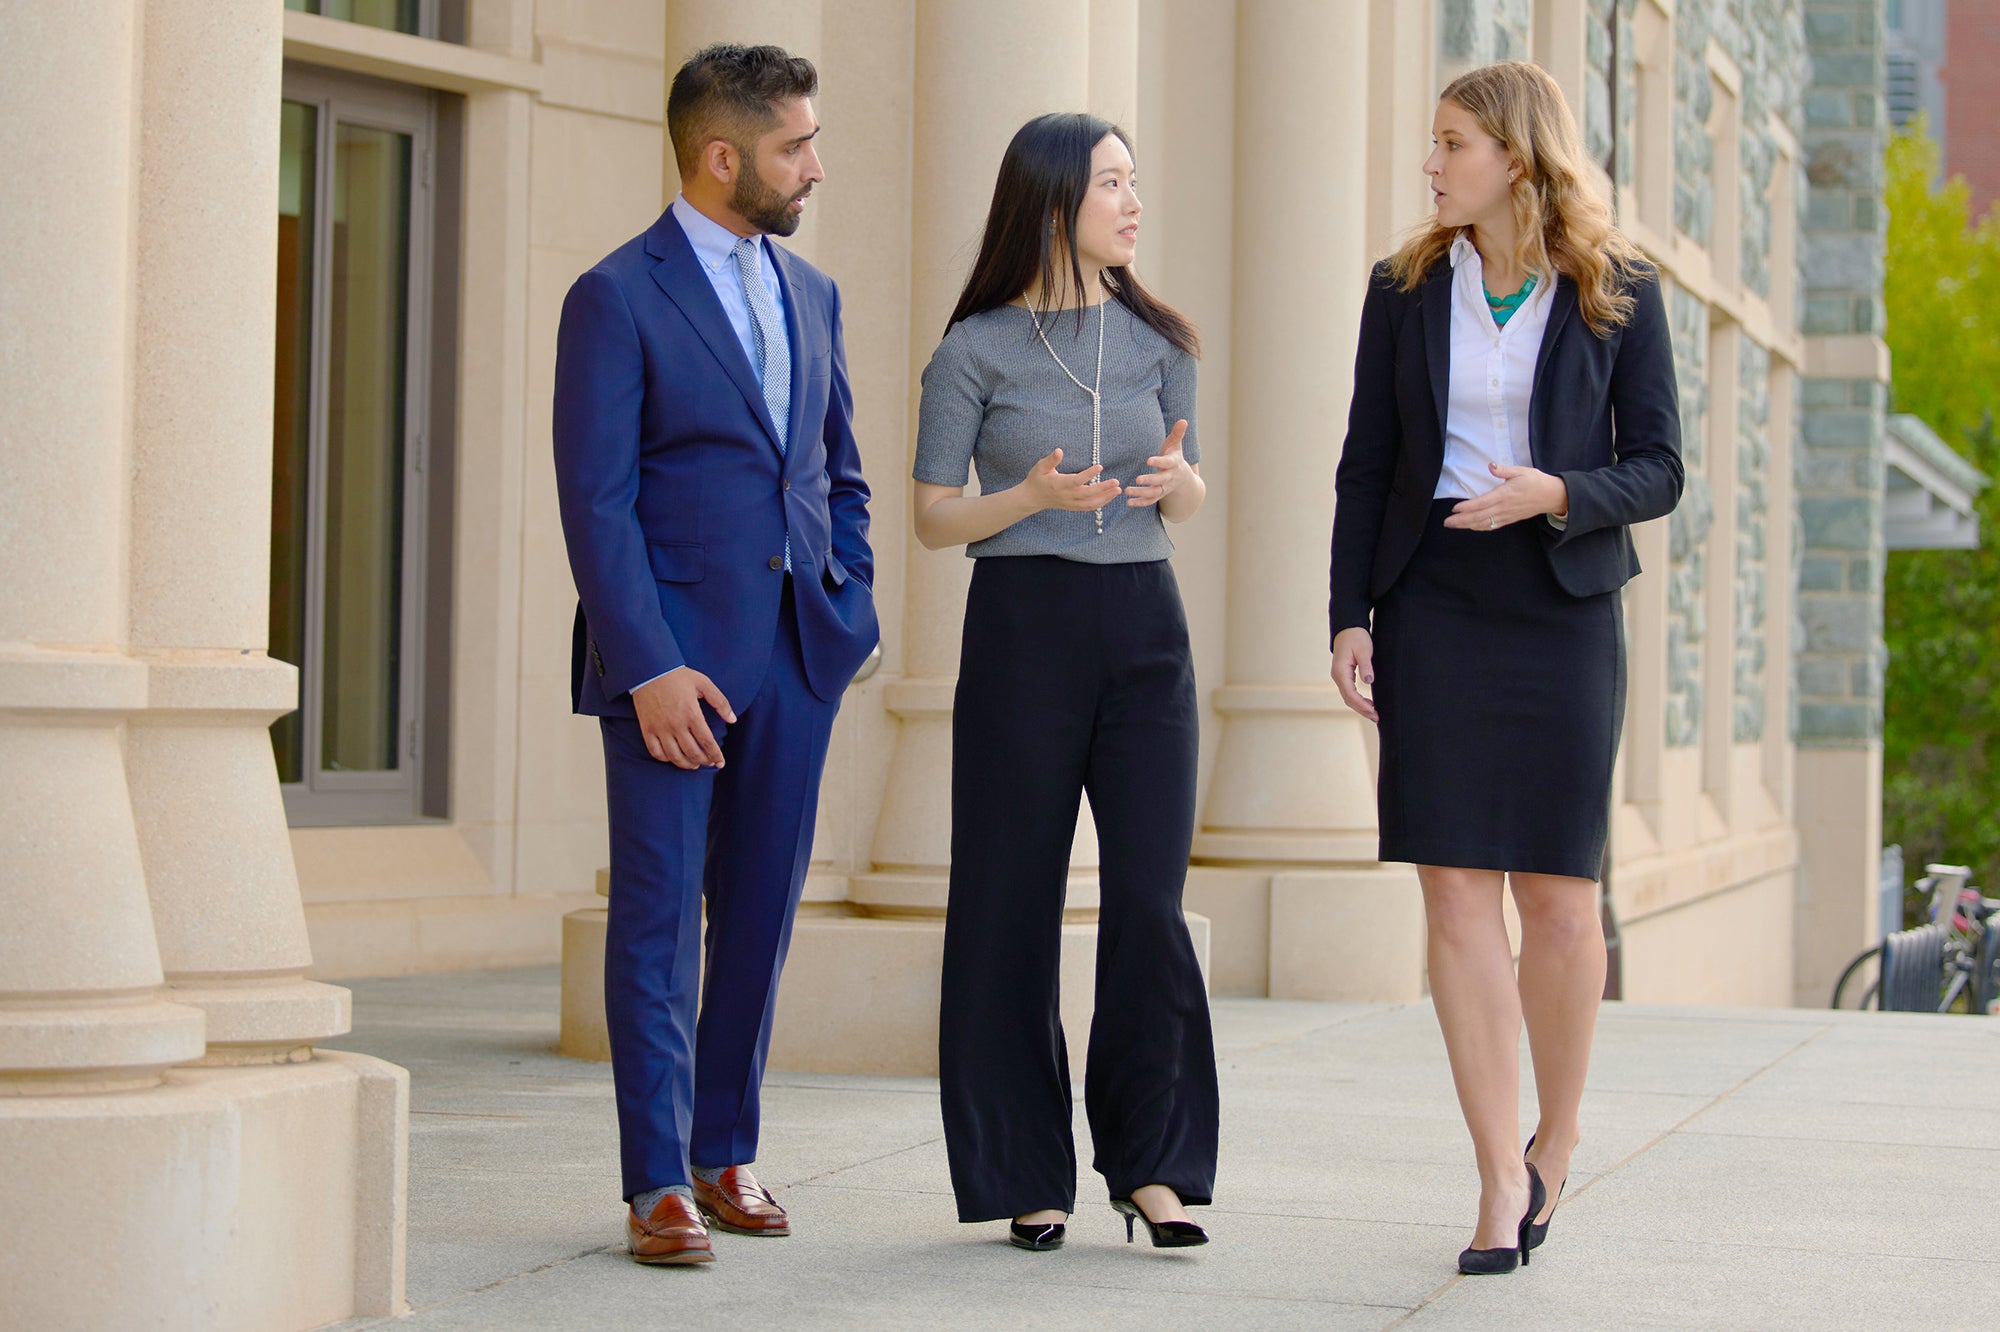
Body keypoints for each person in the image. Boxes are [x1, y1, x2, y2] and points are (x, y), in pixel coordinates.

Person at [1327, 61, 1683, 1276]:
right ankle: (1490, 1175)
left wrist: (1558, 495)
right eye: (1432, 142)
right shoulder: (1401, 289)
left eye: (1452, 142)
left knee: (1559, 900)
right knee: (1452, 895)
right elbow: (1364, 463)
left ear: (1515, 160)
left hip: (1561, 606)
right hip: (1431, 605)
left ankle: (1556, 1138)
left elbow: (1659, 468)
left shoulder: (1614, 289)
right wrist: (1349, 615)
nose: (1432, 164)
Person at [552, 43, 878, 1266]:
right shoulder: (615, 294)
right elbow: (596, 500)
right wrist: (646, 668)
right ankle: (654, 1183)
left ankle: (723, 1149)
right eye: (795, 146)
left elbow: (834, 470)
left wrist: (844, 612)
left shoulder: (813, 293)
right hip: (667, 671)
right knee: (655, 919)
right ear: (721, 156)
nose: (814, 168)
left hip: (797, 656)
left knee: (759, 915)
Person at [913, 112, 1217, 1254]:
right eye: (1110, 185)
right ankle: (1023, 1174)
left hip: (1145, 631)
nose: (1133, 203)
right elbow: (935, 519)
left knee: (1146, 902)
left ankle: (1155, 1168)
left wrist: (1180, 482)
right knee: (1006, 901)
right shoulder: (973, 352)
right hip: (1021, 629)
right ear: (1051, 204)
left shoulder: (1159, 340)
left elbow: (1184, 497)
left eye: (1135, 182)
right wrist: (1031, 500)